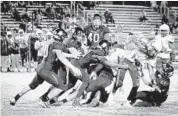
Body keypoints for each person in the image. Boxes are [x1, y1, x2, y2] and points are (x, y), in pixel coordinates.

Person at [10, 32, 82, 106]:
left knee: (32, 85)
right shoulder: (57, 44)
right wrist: (73, 67)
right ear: (60, 37)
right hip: (47, 70)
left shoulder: (50, 43)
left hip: (41, 67)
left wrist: (71, 55)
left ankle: (15, 98)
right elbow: (61, 57)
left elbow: (59, 53)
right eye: (63, 37)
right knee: (62, 87)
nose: (64, 39)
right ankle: (43, 100)